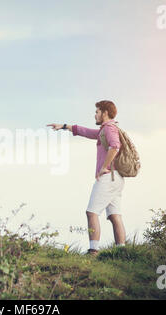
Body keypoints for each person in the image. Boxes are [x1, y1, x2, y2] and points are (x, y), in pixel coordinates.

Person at [47, 100, 126, 256]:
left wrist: (104, 166)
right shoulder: (106, 130)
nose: (94, 114)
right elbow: (86, 132)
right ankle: (122, 252)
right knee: (114, 215)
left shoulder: (109, 128)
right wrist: (64, 127)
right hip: (117, 178)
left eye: (97, 111)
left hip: (108, 177)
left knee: (92, 212)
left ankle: (93, 250)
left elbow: (115, 146)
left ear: (105, 113)